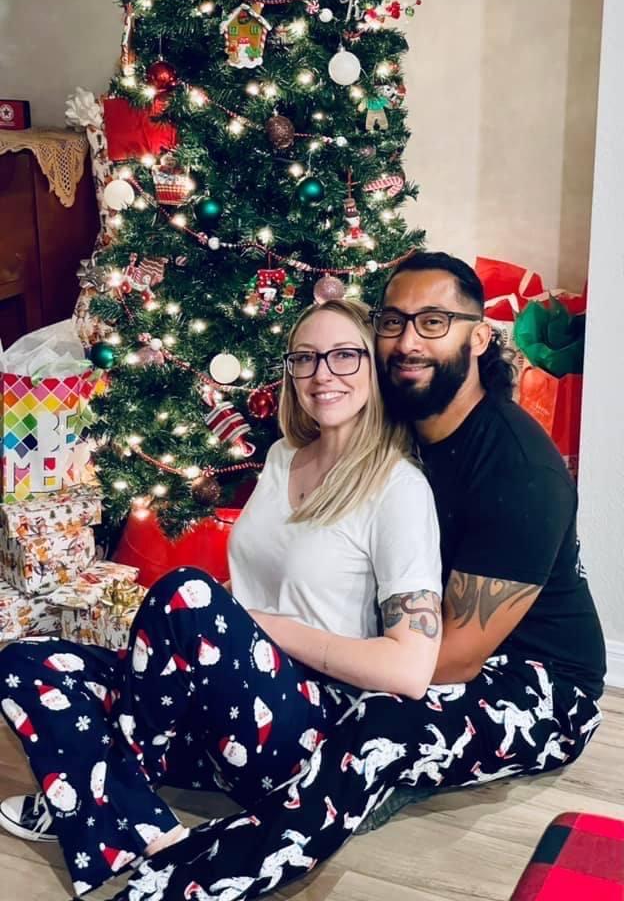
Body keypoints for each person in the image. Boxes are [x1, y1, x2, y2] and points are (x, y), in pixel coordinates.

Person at [86, 251, 605, 901]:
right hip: (414, 642)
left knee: (379, 722)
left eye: (434, 321)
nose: (407, 340)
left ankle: (190, 880)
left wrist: (277, 641)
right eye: (393, 320)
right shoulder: (401, 427)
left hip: (537, 681)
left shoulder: (517, 471)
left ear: (479, 337)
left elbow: (451, 661)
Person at [0, 298, 443, 896]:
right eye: (306, 358)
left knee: (185, 590)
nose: (322, 374)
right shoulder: (286, 456)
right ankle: (147, 827)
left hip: (292, 727)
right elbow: (256, 584)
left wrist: (251, 623)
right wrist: (218, 619)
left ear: (373, 367)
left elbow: (411, 670)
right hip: (208, 715)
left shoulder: (399, 488)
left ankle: (93, 791)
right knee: (26, 658)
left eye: (345, 355)